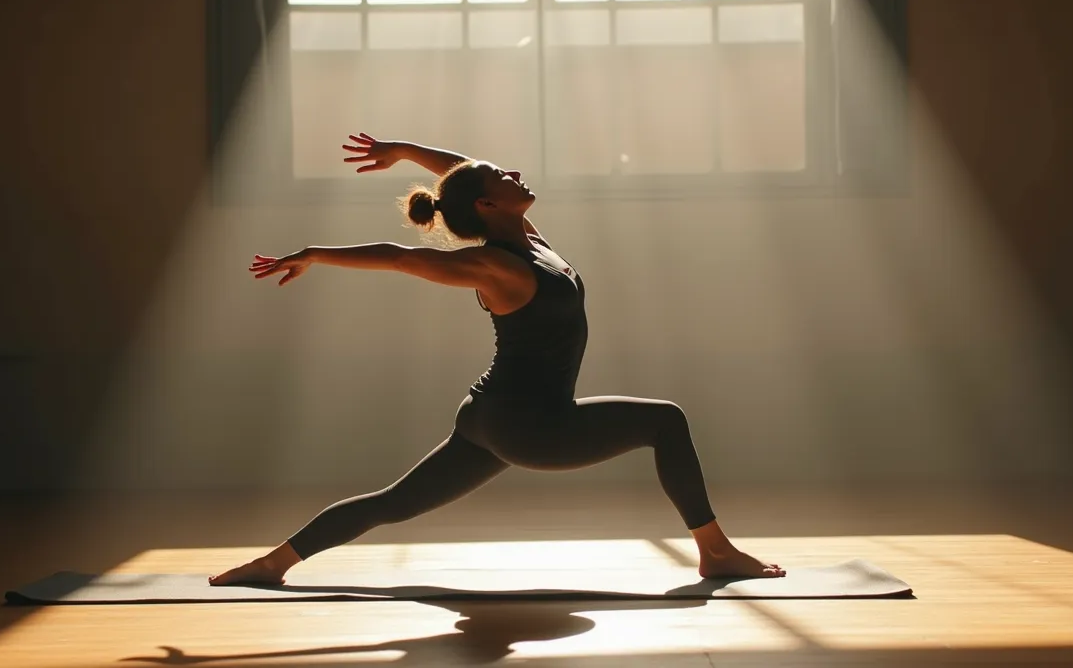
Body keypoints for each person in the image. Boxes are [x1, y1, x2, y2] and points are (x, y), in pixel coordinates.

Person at [210, 134, 785, 586]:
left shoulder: (527, 237)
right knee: (667, 420)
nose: (513, 173)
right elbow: (399, 258)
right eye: (501, 177)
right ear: (487, 204)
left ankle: (273, 563)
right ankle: (716, 552)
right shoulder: (496, 266)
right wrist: (316, 254)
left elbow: (462, 172)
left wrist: (405, 151)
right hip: (532, 428)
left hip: (489, 416)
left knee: (395, 504)